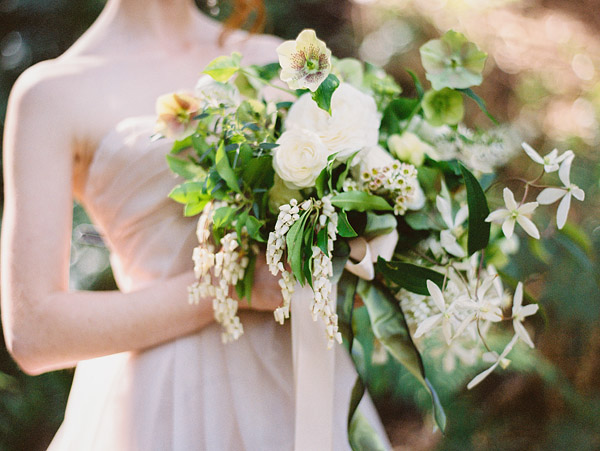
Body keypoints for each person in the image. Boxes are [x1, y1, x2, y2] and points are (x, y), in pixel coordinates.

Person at [1, 0, 390, 449]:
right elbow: (34, 333)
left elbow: (355, 227)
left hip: (302, 375)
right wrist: (233, 286)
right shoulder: (52, 94)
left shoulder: (277, 60)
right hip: (164, 399)